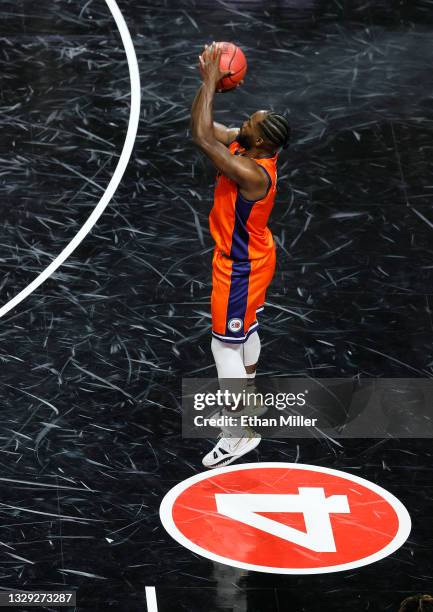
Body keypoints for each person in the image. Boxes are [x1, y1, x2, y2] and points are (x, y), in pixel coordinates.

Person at [191, 43, 290, 468]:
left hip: (240, 269)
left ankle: (239, 433)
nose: (244, 122)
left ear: (262, 139)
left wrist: (212, 81)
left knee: (224, 347)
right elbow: (206, 125)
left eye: (251, 122)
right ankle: (245, 403)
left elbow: (198, 137)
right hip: (253, 256)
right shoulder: (248, 146)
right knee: (244, 333)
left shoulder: (251, 171)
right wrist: (206, 86)